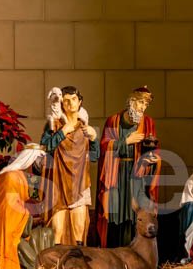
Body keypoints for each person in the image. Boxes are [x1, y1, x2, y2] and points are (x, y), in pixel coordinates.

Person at [97, 86, 160, 247]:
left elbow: (153, 147)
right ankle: (115, 253)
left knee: (135, 213)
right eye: (140, 103)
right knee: (115, 212)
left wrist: (152, 160)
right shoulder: (113, 121)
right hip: (116, 174)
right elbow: (104, 147)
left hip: (137, 175)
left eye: (145, 105)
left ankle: (135, 253)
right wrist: (125, 142)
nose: (142, 108)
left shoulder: (147, 123)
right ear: (131, 101)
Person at [40, 86, 99, 246]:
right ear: (61, 104)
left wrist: (94, 139)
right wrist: (62, 132)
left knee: (78, 229)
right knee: (57, 230)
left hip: (79, 182)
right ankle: (57, 267)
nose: (70, 103)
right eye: (66, 101)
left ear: (80, 102)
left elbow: (94, 157)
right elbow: (45, 148)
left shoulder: (85, 127)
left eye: (74, 99)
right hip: (59, 182)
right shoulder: (54, 124)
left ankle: (77, 264)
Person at [0, 147, 45, 269]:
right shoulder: (10, 177)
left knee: (44, 236)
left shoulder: (19, 176)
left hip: (16, 225)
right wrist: (29, 215)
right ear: (29, 162)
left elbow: (22, 202)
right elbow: (9, 207)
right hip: (4, 227)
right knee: (23, 248)